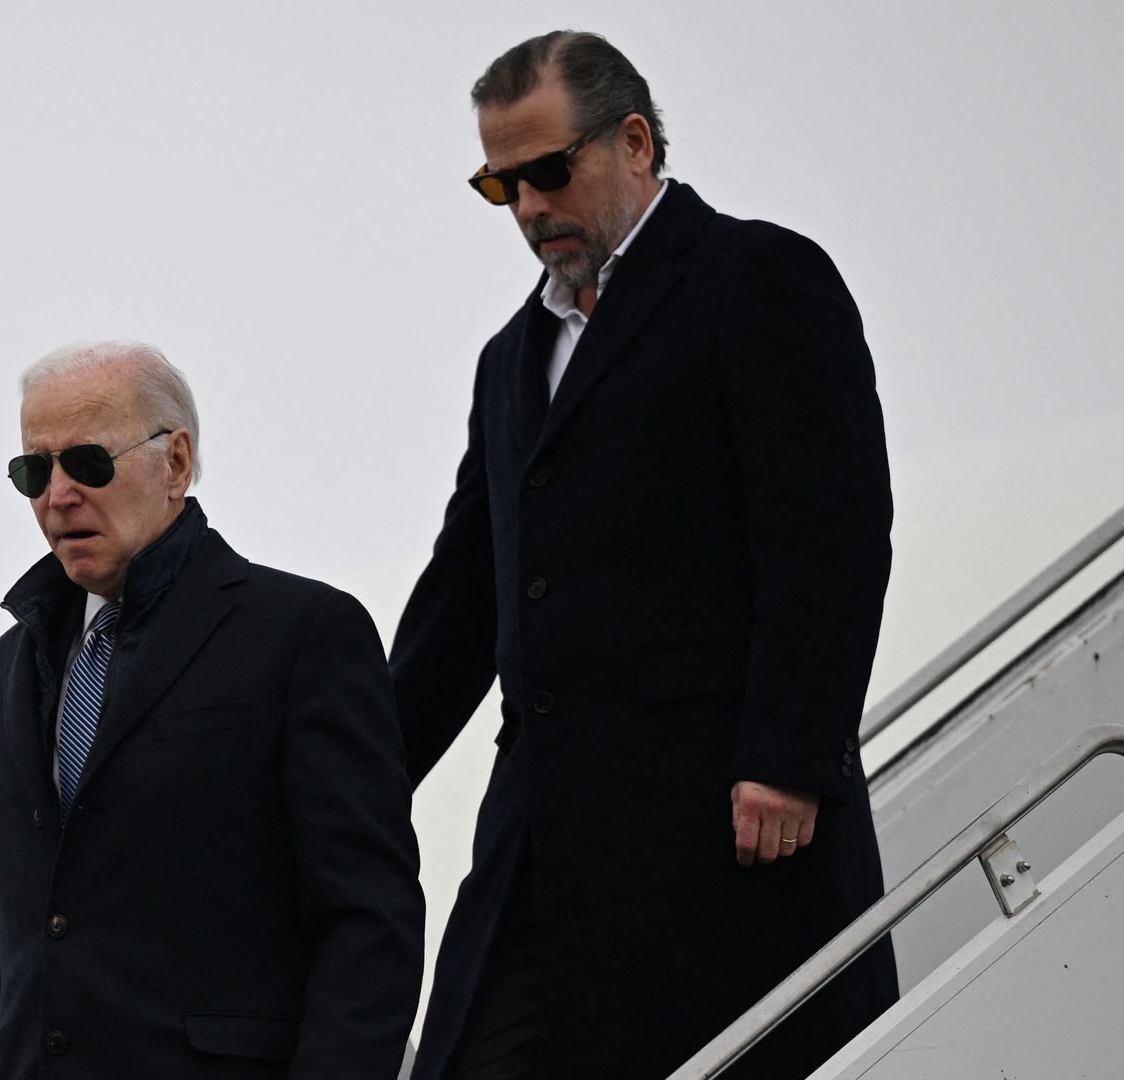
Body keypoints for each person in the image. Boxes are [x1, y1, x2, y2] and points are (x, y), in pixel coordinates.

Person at [391, 31, 898, 1080]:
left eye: (547, 171)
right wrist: (352, 776)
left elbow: (830, 534)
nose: (529, 207)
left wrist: (788, 756)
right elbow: (465, 599)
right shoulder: (509, 359)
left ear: (632, 141)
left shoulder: (759, 278)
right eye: (501, 183)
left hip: (726, 829)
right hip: (544, 841)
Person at [0, 342, 424, 1080]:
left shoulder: (300, 635)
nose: (59, 494)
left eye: (89, 463)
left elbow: (368, 921)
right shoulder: (2, 675)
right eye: (36, 471)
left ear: (177, 462)